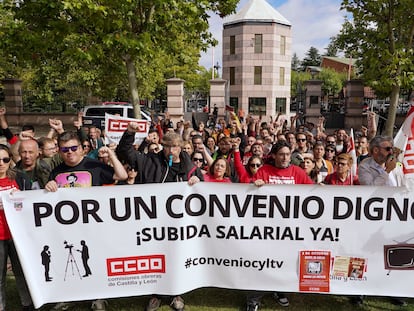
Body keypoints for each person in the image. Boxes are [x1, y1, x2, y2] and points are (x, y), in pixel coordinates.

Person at [116, 123, 203, 311]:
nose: (171, 150)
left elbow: (202, 194)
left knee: (176, 258)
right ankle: (155, 294)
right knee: (156, 258)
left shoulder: (190, 168)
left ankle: (175, 293)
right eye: (167, 146)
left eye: (175, 147)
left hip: (179, 224)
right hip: (154, 223)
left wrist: (197, 183)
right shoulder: (149, 161)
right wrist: (130, 132)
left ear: (181, 147)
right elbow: (124, 151)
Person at [45, 132, 127, 311]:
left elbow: (122, 176)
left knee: (93, 260)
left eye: (74, 148)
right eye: (65, 149)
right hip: (67, 228)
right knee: (68, 261)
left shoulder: (94, 166)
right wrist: (49, 186)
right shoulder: (56, 171)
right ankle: (70, 296)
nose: (70, 152)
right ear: (59, 152)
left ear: (82, 149)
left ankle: (98, 298)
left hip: (93, 226)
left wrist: (111, 155)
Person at [247, 141, 313, 311]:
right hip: (267, 228)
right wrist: (256, 185)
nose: (285, 158)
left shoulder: (297, 172)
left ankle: (278, 290)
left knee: (285, 262)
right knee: (263, 263)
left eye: (287, 154)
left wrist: (320, 189)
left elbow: (312, 194)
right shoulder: (264, 171)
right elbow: (251, 191)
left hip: (289, 229)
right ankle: (254, 299)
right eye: (281, 154)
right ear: (274, 155)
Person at [356, 135, 406, 306]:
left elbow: (403, 186)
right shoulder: (365, 166)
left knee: (391, 254)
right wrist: (386, 172)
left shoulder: (396, 166)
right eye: (387, 149)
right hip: (373, 217)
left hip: (395, 216)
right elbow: (369, 191)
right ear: (376, 150)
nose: (391, 152)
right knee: (367, 255)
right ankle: (360, 290)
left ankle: (391, 290)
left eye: (391, 148)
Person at [0, 144, 34, 311]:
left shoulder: (19, 178)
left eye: (5, 159)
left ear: (10, 160)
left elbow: (31, 201)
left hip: (17, 234)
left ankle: (27, 304)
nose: (1, 163)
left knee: (22, 272)